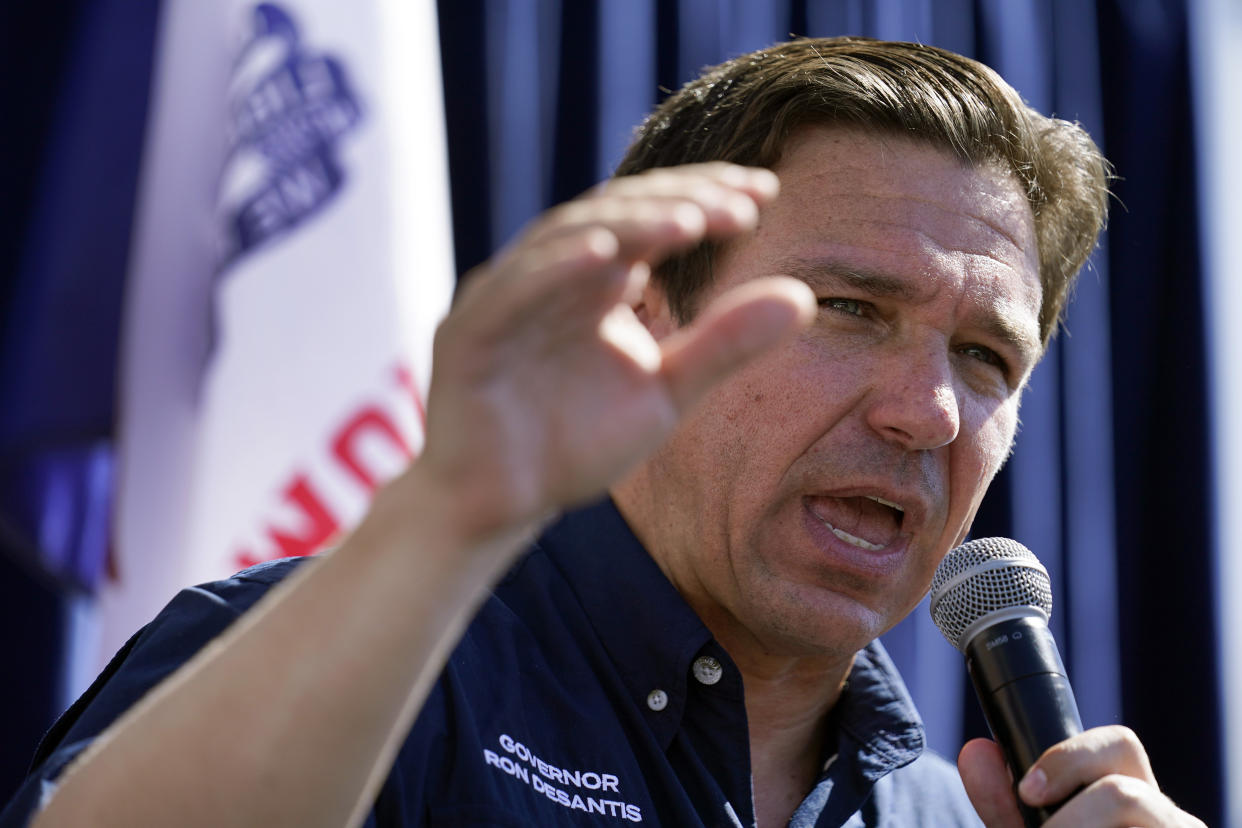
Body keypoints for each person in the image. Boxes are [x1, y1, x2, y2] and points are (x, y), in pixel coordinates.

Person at [2, 36, 1205, 827]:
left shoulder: (959, 815)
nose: (926, 408)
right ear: (645, 315)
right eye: (848, 310)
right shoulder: (347, 678)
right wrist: (444, 513)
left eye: (985, 357)